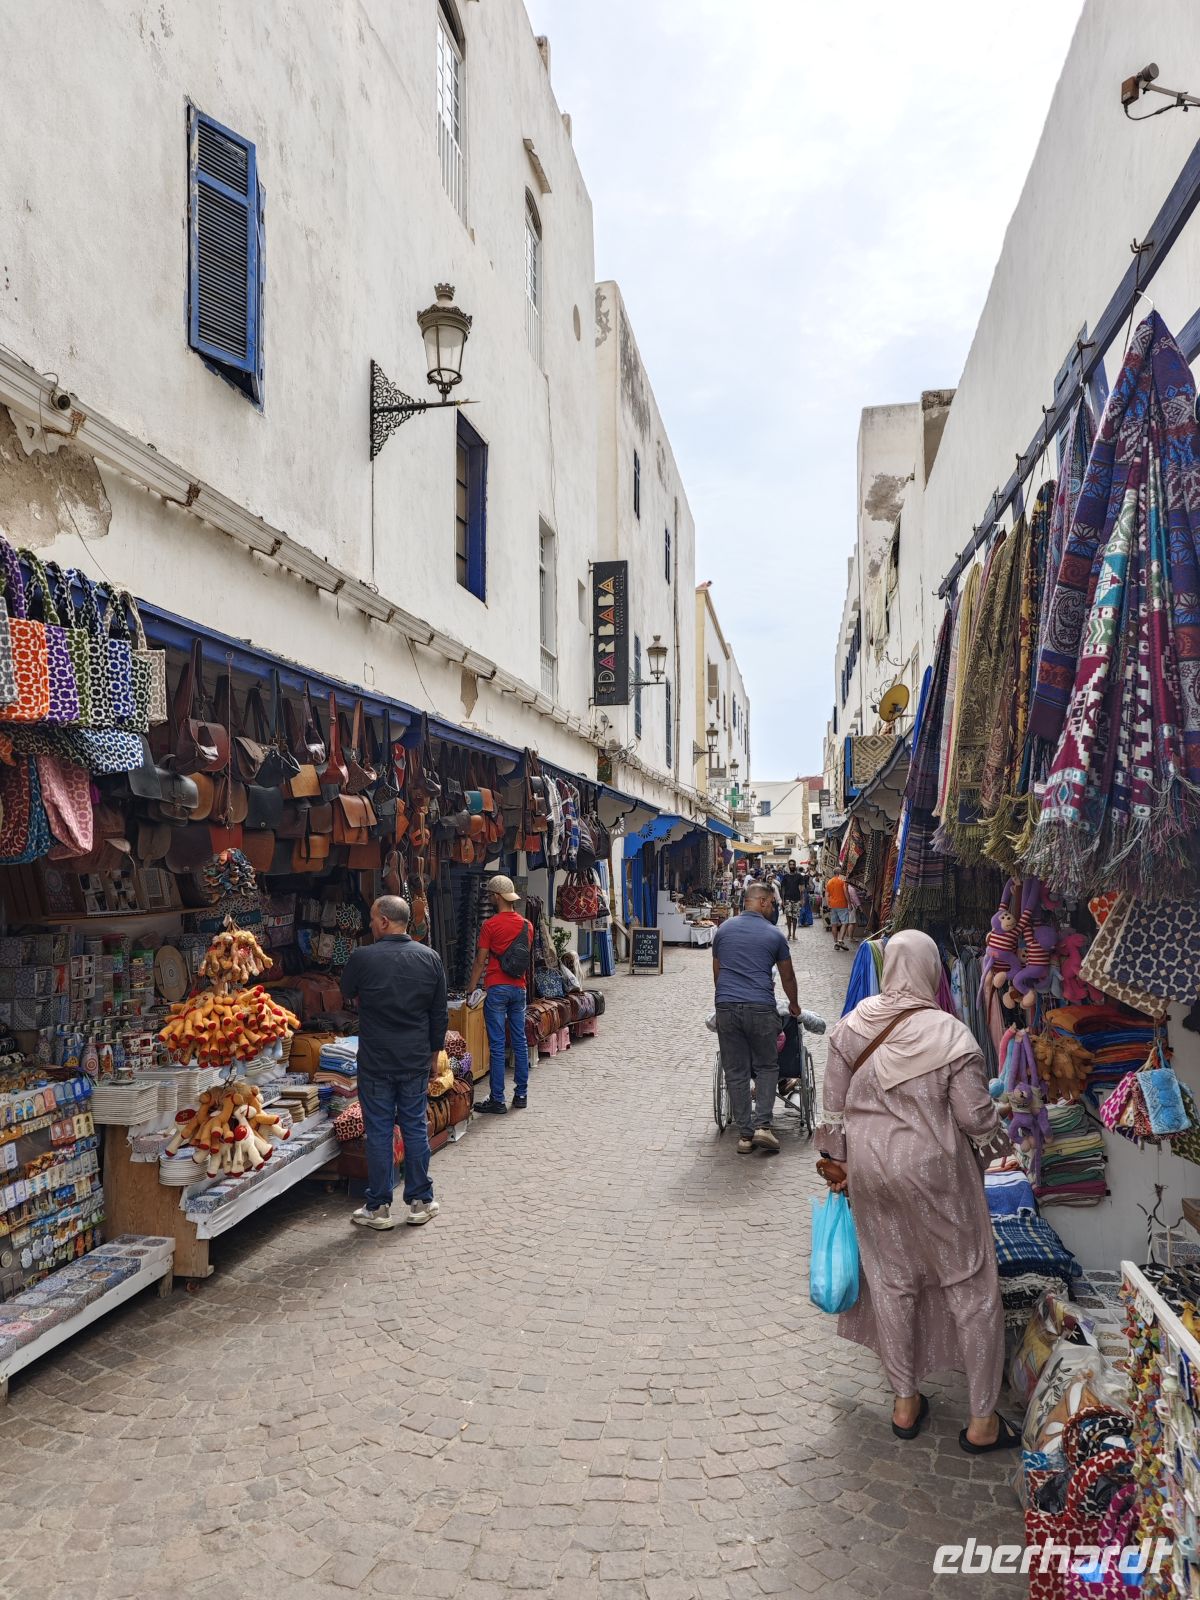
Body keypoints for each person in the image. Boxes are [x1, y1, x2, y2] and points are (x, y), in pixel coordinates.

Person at [815, 930, 1017, 1453]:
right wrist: (1004, 1125)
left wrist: (837, 1162)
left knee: (892, 1279)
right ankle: (981, 1421)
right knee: (970, 1285)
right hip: (937, 1177)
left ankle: (905, 1403)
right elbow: (975, 1118)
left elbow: (832, 1110)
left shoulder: (850, 1027)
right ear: (931, 970)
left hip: (870, 1173)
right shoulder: (950, 1035)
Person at [340, 895, 447, 1230]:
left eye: (373, 918)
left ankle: (379, 1207)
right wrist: (433, 1054)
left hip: (375, 1060)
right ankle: (419, 1201)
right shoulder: (429, 958)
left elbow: (347, 991)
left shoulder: (362, 957)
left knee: (379, 1132)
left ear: (384, 921)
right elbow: (439, 1015)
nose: (370, 924)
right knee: (414, 1126)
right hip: (414, 1058)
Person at [711, 881, 801, 1156]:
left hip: (726, 1006)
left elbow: (717, 973)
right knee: (766, 1066)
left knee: (735, 1071)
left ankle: (745, 1135)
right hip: (761, 1007)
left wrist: (727, 999)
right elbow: (787, 976)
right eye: (772, 903)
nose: (774, 908)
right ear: (761, 902)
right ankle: (763, 1126)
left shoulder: (723, 930)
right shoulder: (774, 935)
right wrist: (795, 1006)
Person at [468, 875, 533, 1116]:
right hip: (519, 988)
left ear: (496, 897)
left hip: (496, 987)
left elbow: (479, 961)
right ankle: (521, 1094)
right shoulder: (527, 925)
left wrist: (471, 988)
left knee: (497, 1046)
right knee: (520, 1041)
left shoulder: (490, 925)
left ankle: (497, 1099)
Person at [779, 859, 806, 939]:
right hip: (787, 899)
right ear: (788, 866)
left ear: (795, 865)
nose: (792, 866)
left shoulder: (799, 876)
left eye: (793, 864)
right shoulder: (785, 876)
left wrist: (802, 899)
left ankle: (794, 934)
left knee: (795, 917)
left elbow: (802, 888)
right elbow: (783, 888)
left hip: (797, 899)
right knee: (788, 916)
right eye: (790, 865)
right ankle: (789, 933)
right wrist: (782, 900)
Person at [825, 870, 851, 950]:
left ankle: (836, 943)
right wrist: (849, 902)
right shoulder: (842, 881)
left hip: (833, 905)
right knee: (845, 922)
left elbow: (826, 894)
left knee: (834, 924)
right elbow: (845, 891)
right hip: (842, 904)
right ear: (840, 873)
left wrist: (828, 903)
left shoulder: (829, 881)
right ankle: (840, 940)